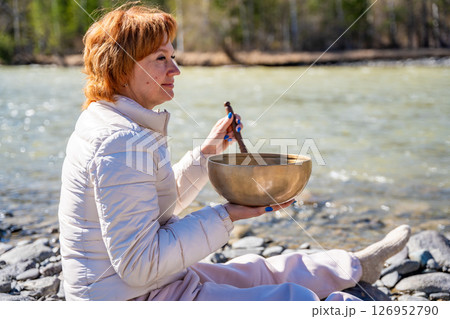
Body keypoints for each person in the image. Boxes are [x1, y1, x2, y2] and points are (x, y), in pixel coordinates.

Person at [58, 4, 411, 301]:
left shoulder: (120, 124)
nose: (175, 69)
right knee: (294, 301)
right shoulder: (118, 142)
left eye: (173, 56)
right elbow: (139, 265)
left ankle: (356, 267)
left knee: (257, 270)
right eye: (161, 58)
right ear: (122, 66)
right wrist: (226, 215)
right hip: (128, 298)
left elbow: (155, 209)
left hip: (141, 286)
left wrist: (207, 152)